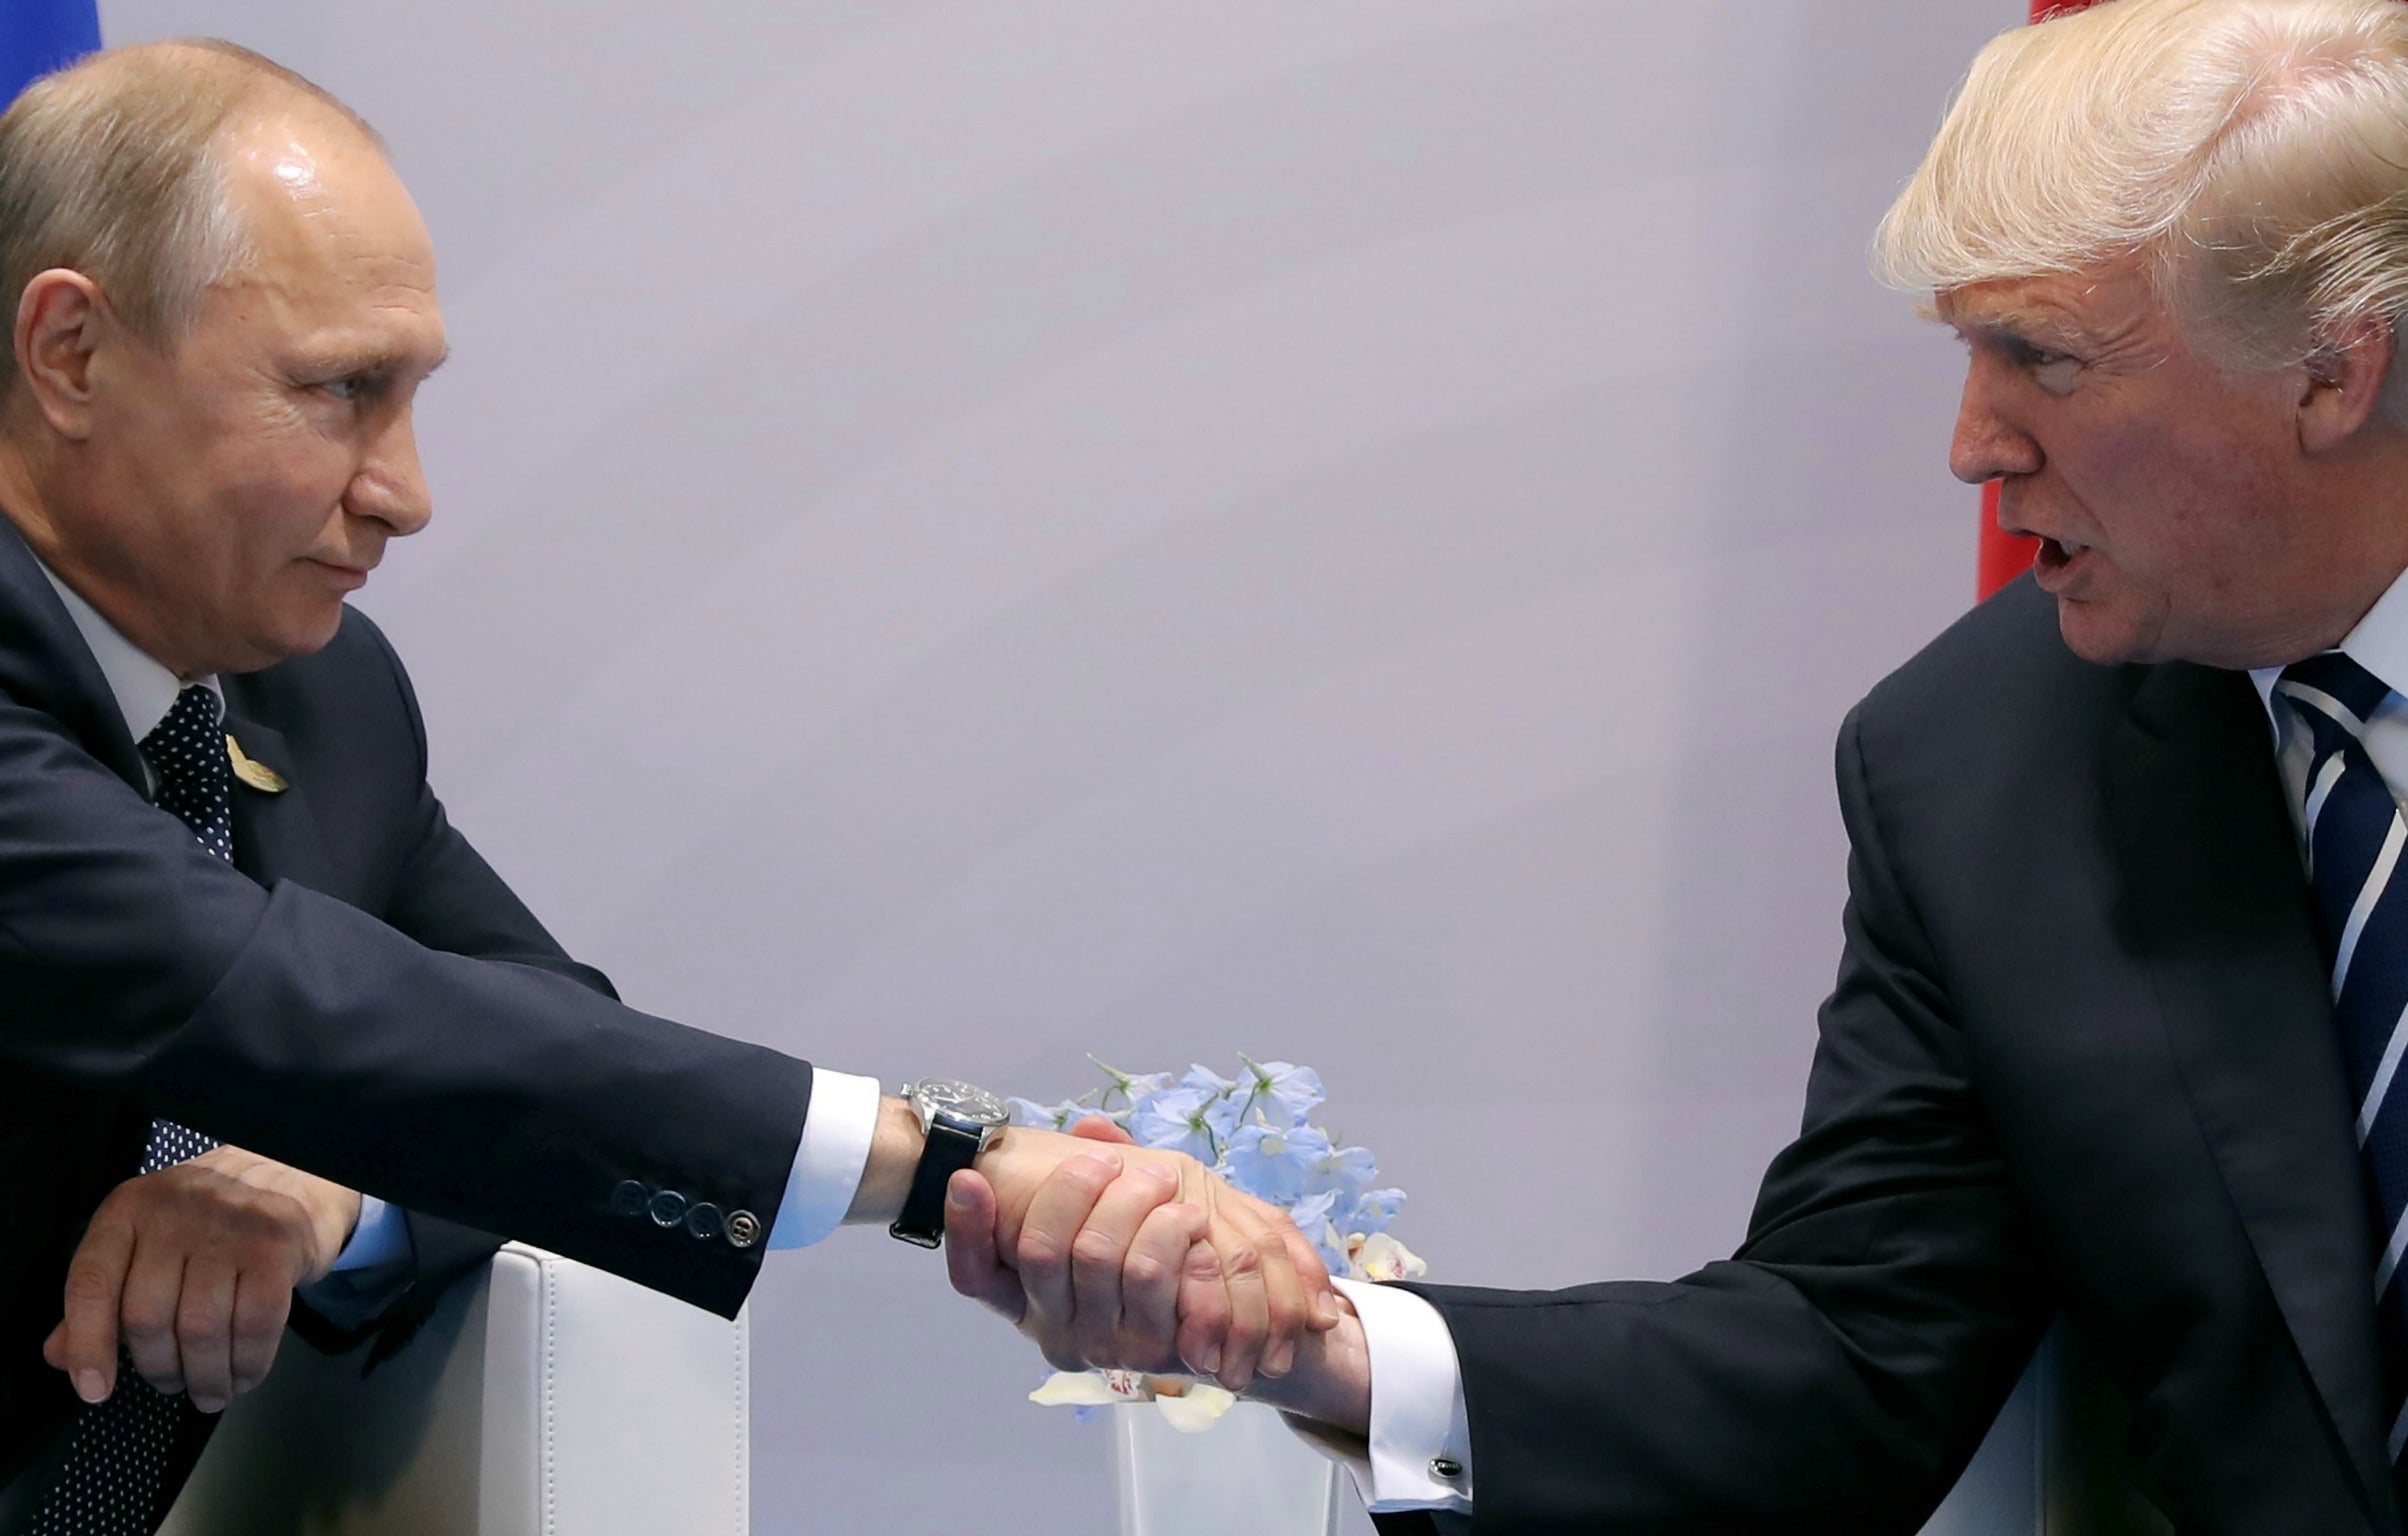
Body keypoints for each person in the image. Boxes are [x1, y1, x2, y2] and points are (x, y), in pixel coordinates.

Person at [955, 0, 2408, 1529]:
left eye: (2039, 357)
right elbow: (1846, 1361)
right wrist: (1319, 1346)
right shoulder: (1986, 768)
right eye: (1968, 351)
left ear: (2331, 371)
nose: (1974, 447)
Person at [0, 39, 1337, 1534]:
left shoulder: (324, 693)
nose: (406, 493)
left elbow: (539, 1041)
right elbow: (279, 999)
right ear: (72, 354)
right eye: (339, 391)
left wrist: (331, 1190)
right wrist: (947, 1157)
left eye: (411, 396)